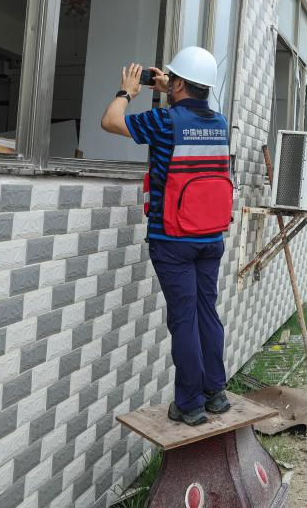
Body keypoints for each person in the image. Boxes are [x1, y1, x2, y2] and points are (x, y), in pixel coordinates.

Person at [101, 46, 234, 426]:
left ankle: (189, 404)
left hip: (173, 238)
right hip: (211, 236)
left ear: (178, 84)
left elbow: (110, 122)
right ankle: (215, 393)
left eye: (172, 80)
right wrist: (171, 87)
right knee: (207, 312)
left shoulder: (163, 121)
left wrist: (127, 91)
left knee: (183, 319)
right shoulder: (220, 123)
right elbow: (196, 110)